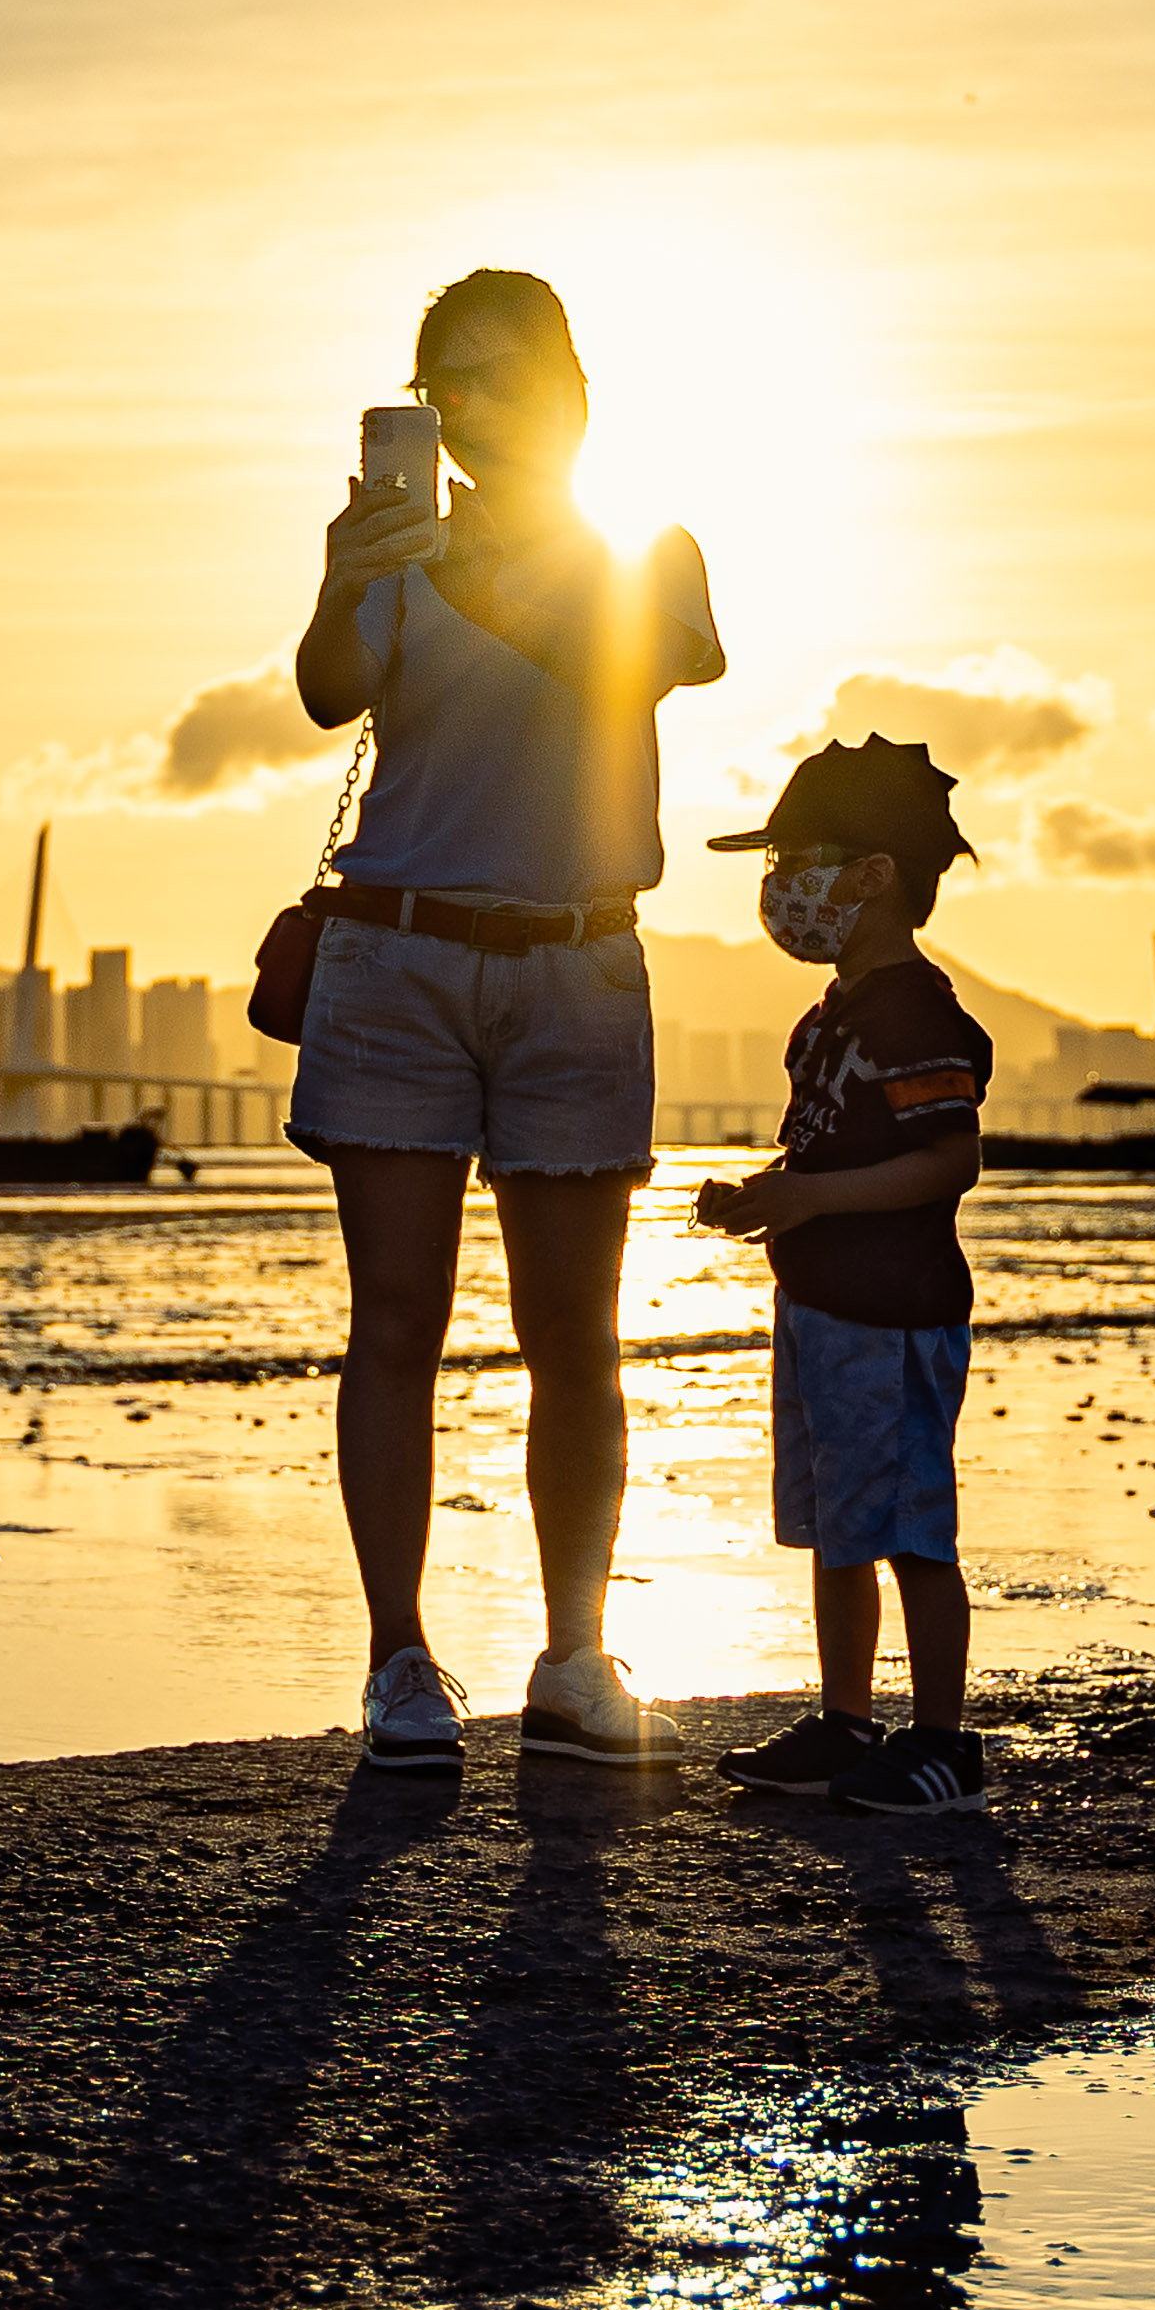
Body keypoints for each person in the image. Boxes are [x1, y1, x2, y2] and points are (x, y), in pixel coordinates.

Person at [283, 265, 724, 1776]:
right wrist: (353, 576)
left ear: (576, 393)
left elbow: (630, 660)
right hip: (397, 960)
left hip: (575, 963)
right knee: (394, 1324)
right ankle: (400, 1659)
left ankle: (573, 1655)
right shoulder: (397, 556)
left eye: (502, 374)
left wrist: (474, 561)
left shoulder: (651, 554)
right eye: (445, 379)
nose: (474, 403)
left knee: (574, 1337)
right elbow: (323, 694)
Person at [690, 739, 992, 1816]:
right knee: (835, 1523)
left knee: (909, 1526)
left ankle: (942, 1742)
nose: (780, 886)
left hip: (894, 1312)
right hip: (818, 1306)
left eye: (799, 859)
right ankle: (845, 1717)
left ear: (871, 874)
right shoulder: (828, 1016)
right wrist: (768, 1193)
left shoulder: (914, 1012)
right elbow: (829, 1153)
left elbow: (946, 1158)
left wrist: (810, 1201)